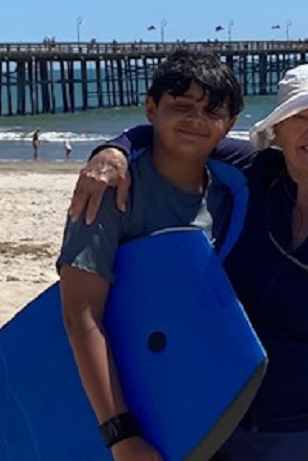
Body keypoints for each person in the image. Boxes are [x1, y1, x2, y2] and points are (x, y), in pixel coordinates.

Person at [72, 61, 308, 461]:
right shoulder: (255, 175)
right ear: (278, 130)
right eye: (301, 117)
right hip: (224, 432)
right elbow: (180, 133)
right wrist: (113, 152)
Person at [56, 49, 244, 461]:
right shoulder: (110, 189)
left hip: (199, 387)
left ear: (229, 125)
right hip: (124, 389)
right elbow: (80, 315)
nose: (196, 120)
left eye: (212, 111)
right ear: (151, 108)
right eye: (181, 107)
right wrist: (120, 434)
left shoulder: (232, 192)